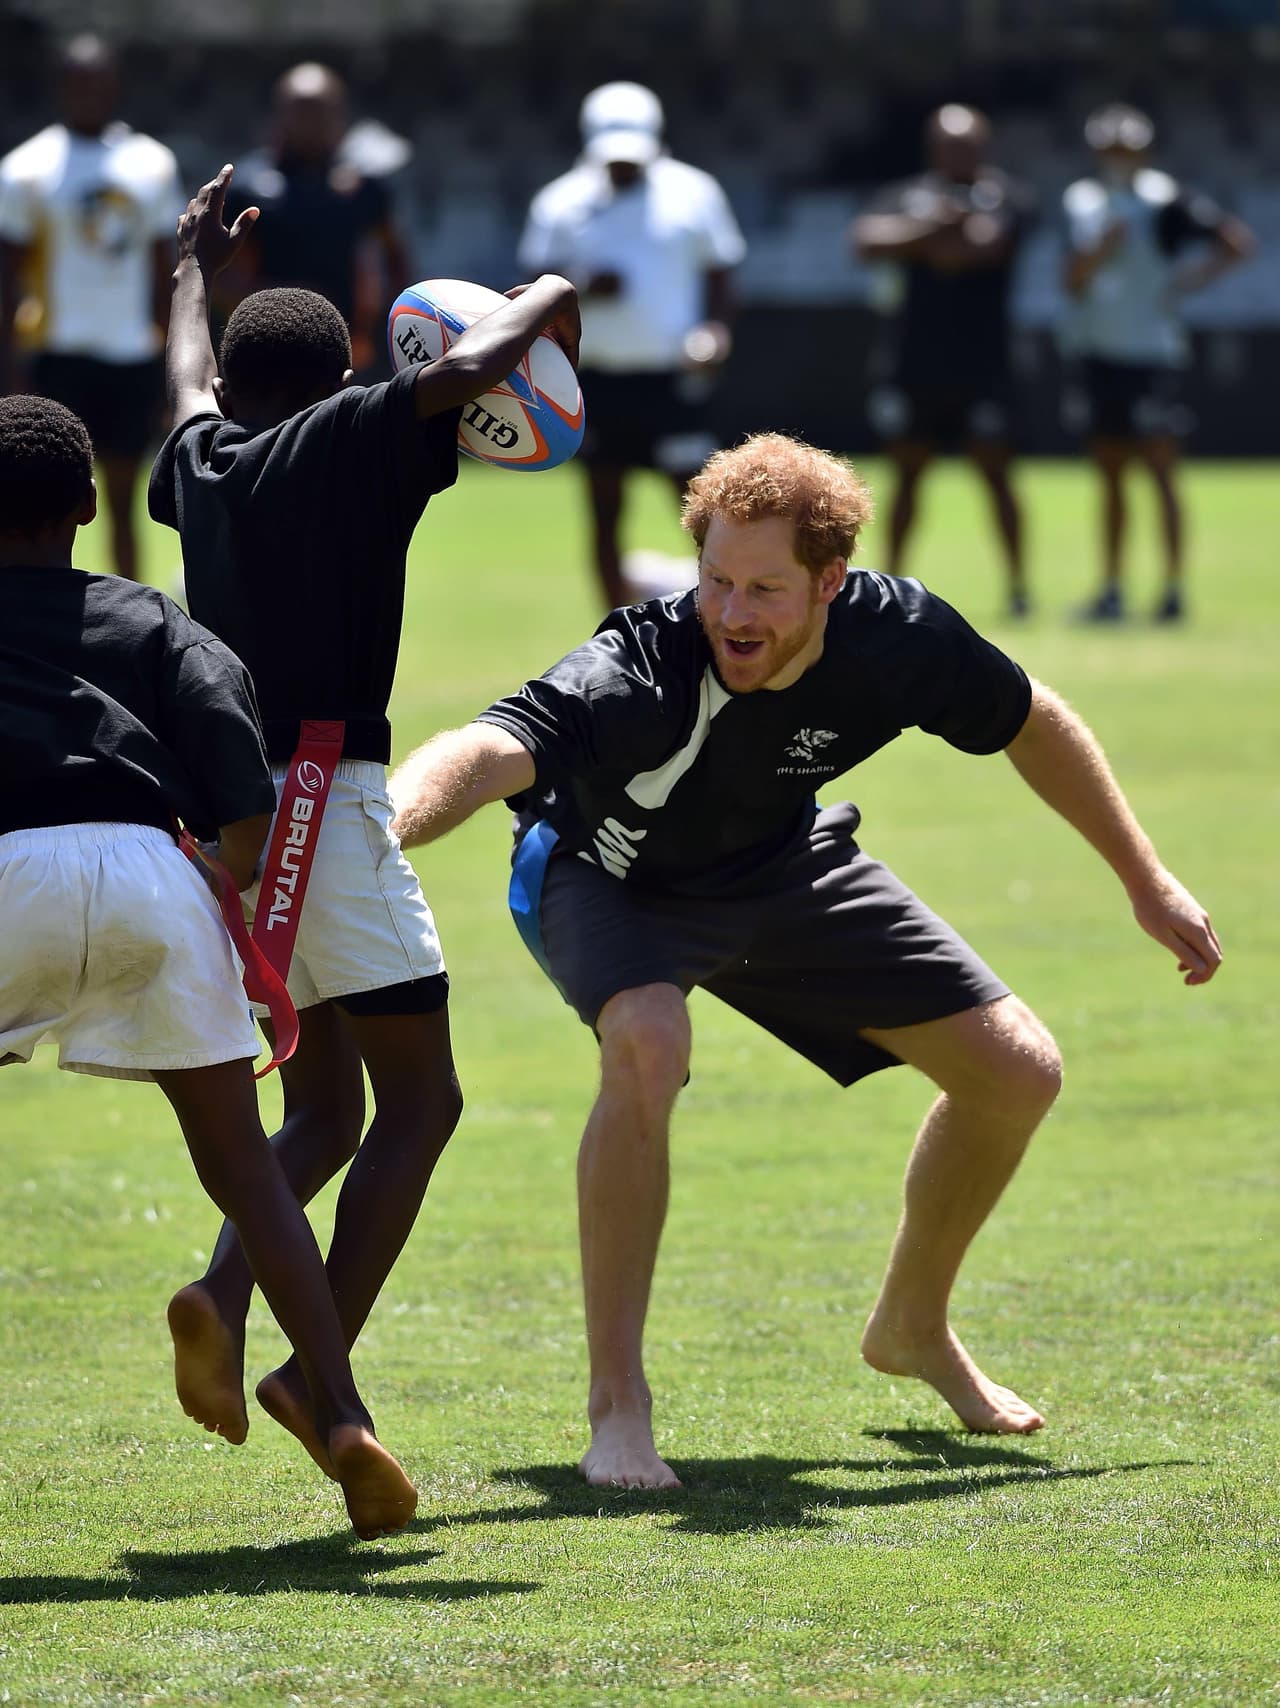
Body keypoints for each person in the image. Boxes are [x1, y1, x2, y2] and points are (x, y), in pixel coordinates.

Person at [388, 432, 1222, 1490]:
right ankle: (617, 1406)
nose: (733, 614)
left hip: (778, 866)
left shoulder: (898, 636)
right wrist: (387, 826)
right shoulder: (645, 662)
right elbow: (491, 746)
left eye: (766, 589)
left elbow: (1031, 720)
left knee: (1016, 1072)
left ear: (832, 581)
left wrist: (1144, 881)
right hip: (607, 877)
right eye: (716, 581)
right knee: (645, 1041)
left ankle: (912, 1324)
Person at [147, 164, 580, 1475]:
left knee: (326, 1110)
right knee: (426, 1103)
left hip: (226, 819)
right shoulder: (351, 437)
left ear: (231, 384)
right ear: (344, 376)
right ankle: (309, 1370)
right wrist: (554, 289)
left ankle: (222, 1300)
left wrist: (190, 278)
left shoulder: (202, 455)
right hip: (324, 811)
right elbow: (480, 363)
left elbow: (183, 377)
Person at [0, 391, 417, 1539]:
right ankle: (340, 1413)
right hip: (149, 874)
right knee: (248, 1166)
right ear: (89, 505)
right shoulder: (156, 622)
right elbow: (244, 820)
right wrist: (222, 900)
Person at [518, 80, 746, 609]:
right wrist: (581, 284)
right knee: (603, 506)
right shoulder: (560, 201)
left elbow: (721, 278)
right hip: (594, 378)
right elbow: (531, 284)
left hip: (671, 376)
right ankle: (610, 625)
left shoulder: (695, 192)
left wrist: (717, 333)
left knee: (703, 509)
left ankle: (726, 607)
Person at [1061, 103, 1255, 622]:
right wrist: (1100, 252)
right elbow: (1072, 279)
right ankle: (1112, 587)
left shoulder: (1166, 199)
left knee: (1161, 470)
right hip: (1099, 348)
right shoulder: (1082, 201)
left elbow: (1235, 243)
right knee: (1110, 472)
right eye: (1110, 148)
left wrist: (1183, 285)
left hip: (1149, 353)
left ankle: (1171, 587)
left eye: (1126, 148)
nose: (1118, 157)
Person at [0, 34, 183, 582]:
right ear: (62, 89)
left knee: (124, 501)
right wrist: (10, 370)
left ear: (113, 87)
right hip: (58, 356)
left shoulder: (150, 163)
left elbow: (162, 272)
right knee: (49, 506)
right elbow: (6, 278)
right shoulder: (27, 168)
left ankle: (127, 612)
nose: (88, 94)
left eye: (97, 83)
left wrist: (166, 364)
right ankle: (53, 616)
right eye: (77, 84)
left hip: (129, 358)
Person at [852, 105, 1034, 616]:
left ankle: (1018, 586)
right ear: (932, 147)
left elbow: (980, 250)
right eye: (949, 145)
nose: (958, 154)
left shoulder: (1008, 196)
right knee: (906, 476)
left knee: (997, 474)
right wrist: (934, 227)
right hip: (916, 363)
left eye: (968, 145)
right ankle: (886, 585)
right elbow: (865, 240)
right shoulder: (908, 195)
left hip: (983, 364)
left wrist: (921, 238)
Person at [220, 62, 412, 374]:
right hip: (267, 352)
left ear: (339, 116)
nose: (312, 124)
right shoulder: (249, 186)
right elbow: (218, 275)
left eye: (322, 113)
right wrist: (284, 299)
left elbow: (396, 258)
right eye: (302, 112)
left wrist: (381, 321)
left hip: (348, 354)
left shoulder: (364, 186)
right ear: (280, 115)